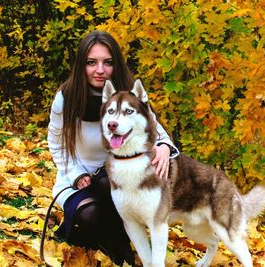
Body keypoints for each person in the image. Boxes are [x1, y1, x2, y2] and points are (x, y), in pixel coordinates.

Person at [47, 30, 179, 266]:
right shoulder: (66, 98)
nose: (100, 70)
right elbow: (56, 145)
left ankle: (119, 242)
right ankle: (97, 236)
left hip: (121, 171)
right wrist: (75, 174)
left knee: (110, 184)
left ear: (115, 64)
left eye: (107, 62)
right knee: (89, 216)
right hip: (78, 175)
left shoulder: (129, 92)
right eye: (91, 63)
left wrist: (164, 146)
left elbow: (154, 127)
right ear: (81, 65)